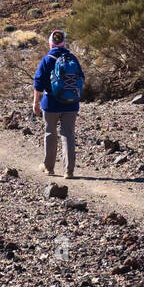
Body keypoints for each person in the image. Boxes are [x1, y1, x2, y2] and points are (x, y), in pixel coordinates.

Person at [33, 29, 84, 179]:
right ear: (64, 43)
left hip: (51, 104)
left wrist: (36, 102)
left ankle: (49, 168)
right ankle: (69, 171)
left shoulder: (47, 59)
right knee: (68, 135)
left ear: (50, 44)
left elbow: (38, 83)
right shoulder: (73, 58)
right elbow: (81, 78)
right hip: (71, 104)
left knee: (50, 133)